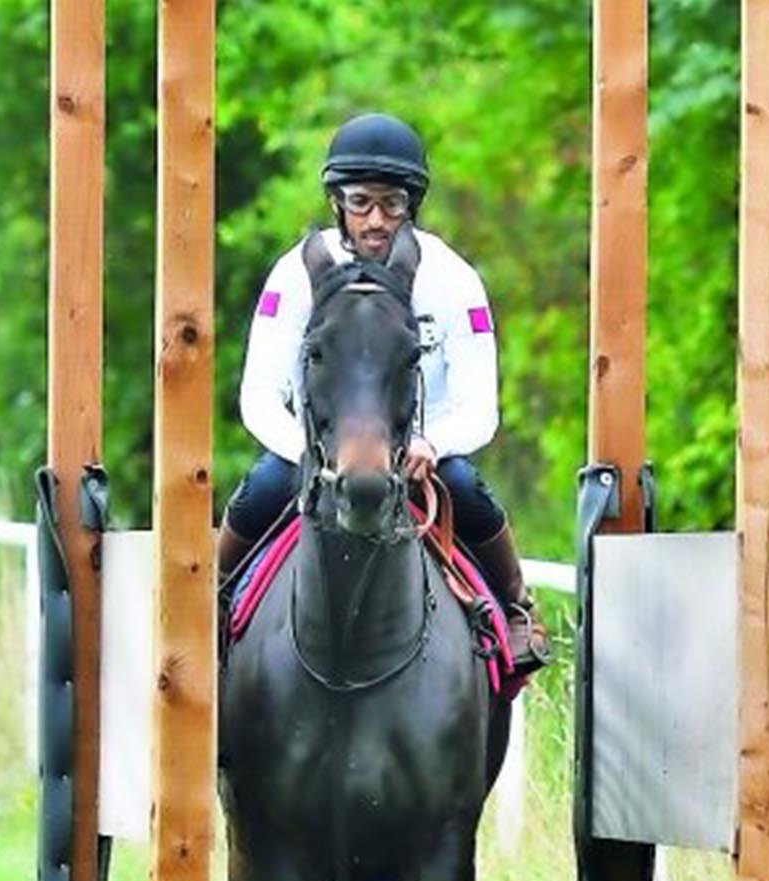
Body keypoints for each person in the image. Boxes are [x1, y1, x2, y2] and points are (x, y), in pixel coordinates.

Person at [219, 111, 548, 674]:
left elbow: (480, 405)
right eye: (361, 202)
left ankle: (516, 610)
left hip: (418, 456)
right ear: (336, 203)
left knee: (469, 489)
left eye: (392, 204)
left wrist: (433, 444)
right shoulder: (295, 276)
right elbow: (258, 395)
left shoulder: (453, 279)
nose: (376, 220)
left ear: (411, 205)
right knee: (261, 489)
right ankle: (209, 600)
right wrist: (310, 455)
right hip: (321, 453)